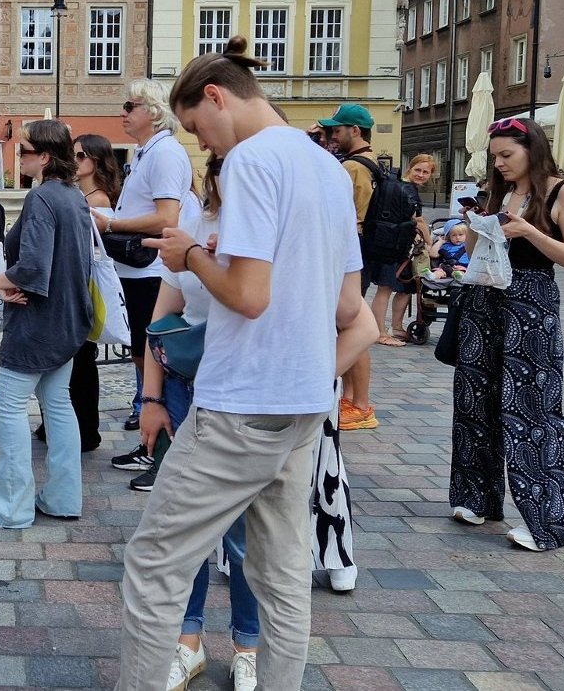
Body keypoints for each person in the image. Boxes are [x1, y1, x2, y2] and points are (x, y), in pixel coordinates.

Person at [118, 38, 377, 691]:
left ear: (216, 97)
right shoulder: (325, 167)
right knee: (283, 575)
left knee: (154, 562)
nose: (205, 146)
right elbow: (350, 304)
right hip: (301, 404)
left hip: (241, 403)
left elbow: (249, 297)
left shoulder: (253, 161)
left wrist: (188, 257)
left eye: (198, 128)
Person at [135, 153, 263, 688]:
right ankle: (187, 642)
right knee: (183, 528)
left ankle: (248, 646)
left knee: (241, 536)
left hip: (245, 395)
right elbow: (161, 321)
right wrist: (151, 399)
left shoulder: (266, 231)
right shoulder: (192, 228)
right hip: (187, 391)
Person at [450, 117, 564, 553]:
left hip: (531, 305)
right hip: (485, 301)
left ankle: (544, 521)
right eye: (495, 156)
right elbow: (472, 252)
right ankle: (478, 499)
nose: (500, 163)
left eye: (507, 155)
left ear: (532, 150)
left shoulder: (563, 192)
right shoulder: (497, 192)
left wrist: (529, 230)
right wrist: (475, 223)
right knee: (474, 400)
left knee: (530, 408)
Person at [0, 120, 91, 529]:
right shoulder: (74, 196)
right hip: (69, 318)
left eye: (24, 151)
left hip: (38, 322)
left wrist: (4, 281)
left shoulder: (43, 198)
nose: (19, 157)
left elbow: (34, 265)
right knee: (58, 406)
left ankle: (11, 507)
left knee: (8, 407)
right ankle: (62, 497)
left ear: (45, 156)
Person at [96, 79, 196, 473]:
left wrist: (112, 224)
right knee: (143, 357)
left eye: (130, 105)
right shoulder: (146, 153)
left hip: (152, 271)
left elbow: (166, 218)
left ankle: (163, 453)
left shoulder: (165, 153)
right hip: (137, 272)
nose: (123, 112)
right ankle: (152, 446)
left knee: (156, 359)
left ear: (153, 112)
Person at [39, 133, 122, 453]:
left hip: (84, 285)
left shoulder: (97, 200)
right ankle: (66, 424)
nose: (75, 161)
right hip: (77, 283)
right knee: (74, 358)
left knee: (82, 360)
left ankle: (86, 430)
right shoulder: (78, 195)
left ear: (97, 161)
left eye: (81, 156)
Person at [318, 104, 380, 430]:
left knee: (352, 324)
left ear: (355, 131)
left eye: (337, 130)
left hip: (354, 255)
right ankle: (353, 397)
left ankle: (360, 404)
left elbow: (351, 217)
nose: (333, 136)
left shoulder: (354, 168)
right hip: (362, 252)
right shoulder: (369, 163)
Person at [370, 153, 434, 347]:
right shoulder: (407, 189)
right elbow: (419, 220)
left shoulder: (400, 185)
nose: (421, 174)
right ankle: (379, 332)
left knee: (405, 287)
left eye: (426, 172)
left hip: (395, 242)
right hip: (393, 244)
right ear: (410, 168)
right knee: (385, 288)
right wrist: (430, 244)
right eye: (418, 170)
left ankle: (396, 327)